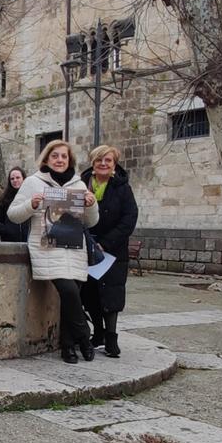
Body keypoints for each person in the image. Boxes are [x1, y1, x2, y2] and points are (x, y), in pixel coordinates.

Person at [8, 140, 99, 364]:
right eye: (55, 156)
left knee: (72, 296)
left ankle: (68, 347)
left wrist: (91, 203)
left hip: (74, 248)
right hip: (47, 247)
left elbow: (92, 221)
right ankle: (85, 337)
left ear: (70, 160)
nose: (59, 160)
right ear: (47, 158)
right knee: (68, 290)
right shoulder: (32, 182)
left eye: (64, 157)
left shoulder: (78, 185)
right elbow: (13, 214)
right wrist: (31, 204)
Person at [81, 145, 138, 358]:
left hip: (113, 250)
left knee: (112, 294)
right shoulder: (81, 184)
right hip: (87, 247)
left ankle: (112, 337)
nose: (103, 164)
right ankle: (98, 333)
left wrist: (106, 243)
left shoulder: (122, 188)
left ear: (114, 165)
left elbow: (129, 218)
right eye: (99, 160)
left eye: (108, 161)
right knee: (90, 293)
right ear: (93, 163)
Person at [0, 166, 30, 243]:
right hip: (9, 241)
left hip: (28, 240)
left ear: (23, 178)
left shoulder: (30, 196)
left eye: (18, 177)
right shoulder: (4, 198)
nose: (15, 180)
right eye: (12, 179)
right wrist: (6, 231)